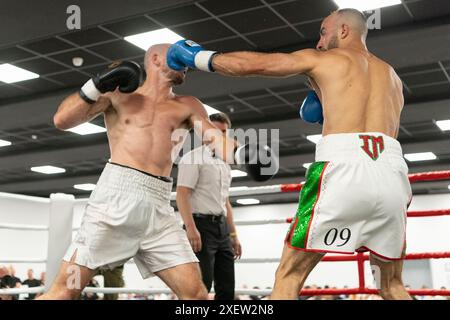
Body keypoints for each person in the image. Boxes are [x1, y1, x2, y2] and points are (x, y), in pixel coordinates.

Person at [167, 8, 412, 300]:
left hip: (343, 169)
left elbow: (255, 64)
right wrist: (327, 99)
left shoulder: (324, 59)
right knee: (392, 285)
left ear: (344, 31)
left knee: (289, 276)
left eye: (324, 32)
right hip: (392, 175)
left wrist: (199, 57)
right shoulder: (392, 77)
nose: (320, 42)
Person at [39, 43, 272, 300]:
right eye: (176, 55)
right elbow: (62, 120)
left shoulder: (188, 105)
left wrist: (243, 154)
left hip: (159, 208)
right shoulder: (118, 95)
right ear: (156, 59)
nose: (185, 64)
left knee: (196, 294)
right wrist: (96, 84)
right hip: (113, 201)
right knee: (65, 291)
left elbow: (214, 139)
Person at [176, 112, 242, 300]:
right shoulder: (192, 158)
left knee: (227, 286)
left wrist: (233, 234)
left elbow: (225, 201)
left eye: (223, 133)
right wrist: (190, 228)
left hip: (221, 228)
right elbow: (182, 195)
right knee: (201, 285)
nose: (219, 137)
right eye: (215, 131)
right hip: (200, 226)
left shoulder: (225, 163)